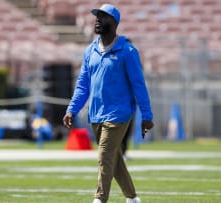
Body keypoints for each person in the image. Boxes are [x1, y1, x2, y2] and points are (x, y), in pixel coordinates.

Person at [62, 4, 154, 203]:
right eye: (97, 16)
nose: (97, 20)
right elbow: (82, 85)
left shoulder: (128, 51)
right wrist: (72, 109)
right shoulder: (91, 50)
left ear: (114, 22)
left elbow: (139, 85)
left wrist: (147, 116)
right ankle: (132, 198)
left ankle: (99, 199)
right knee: (115, 159)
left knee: (104, 156)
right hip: (95, 115)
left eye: (103, 17)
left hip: (119, 114)